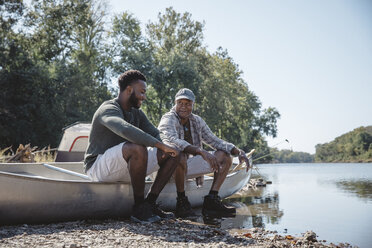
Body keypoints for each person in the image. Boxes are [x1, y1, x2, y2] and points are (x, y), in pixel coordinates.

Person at [84, 70, 184, 223]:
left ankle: (149, 204)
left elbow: (155, 132)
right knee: (137, 148)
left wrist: (167, 146)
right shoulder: (108, 108)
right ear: (129, 90)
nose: (144, 97)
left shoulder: (137, 113)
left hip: (126, 165)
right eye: (142, 92)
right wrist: (159, 145)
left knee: (174, 153)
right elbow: (124, 129)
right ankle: (138, 208)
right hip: (98, 168)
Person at [158, 88, 250, 218]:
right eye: (180, 103)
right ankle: (181, 202)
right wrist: (200, 151)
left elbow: (214, 140)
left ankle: (212, 200)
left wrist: (238, 151)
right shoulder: (168, 118)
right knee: (179, 154)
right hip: (166, 168)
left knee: (225, 156)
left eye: (188, 103)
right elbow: (171, 140)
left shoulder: (197, 120)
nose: (184, 107)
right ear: (175, 103)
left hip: (186, 167)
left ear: (193, 105)